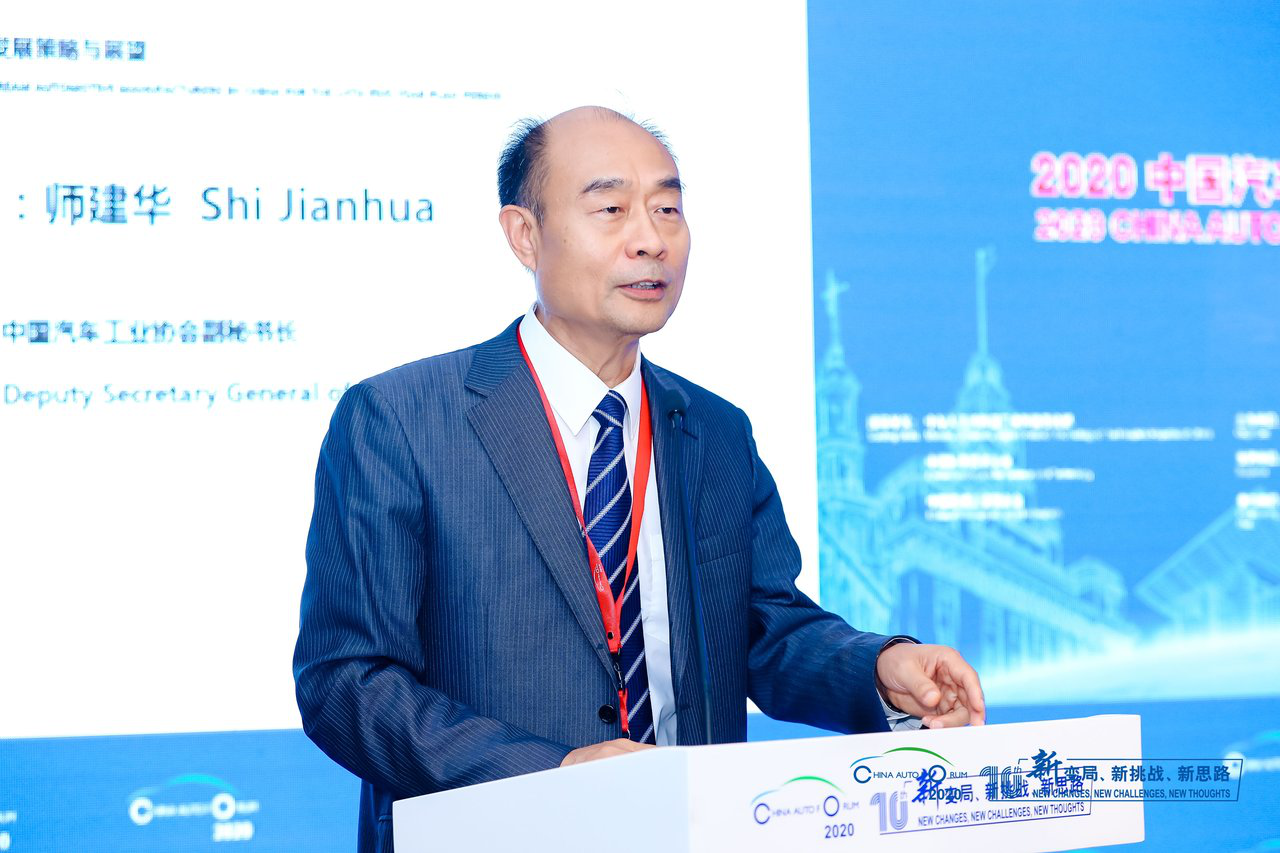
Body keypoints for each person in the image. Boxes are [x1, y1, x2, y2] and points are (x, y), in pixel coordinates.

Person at [293, 105, 985, 852]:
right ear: (524, 234)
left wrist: (878, 669)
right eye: (612, 209)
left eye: (667, 209)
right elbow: (346, 681)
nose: (651, 239)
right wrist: (553, 774)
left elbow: (762, 627)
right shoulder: (400, 419)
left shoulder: (714, 430)